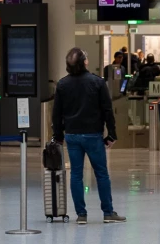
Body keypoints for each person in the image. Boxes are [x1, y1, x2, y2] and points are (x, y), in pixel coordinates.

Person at [52, 48, 126, 224]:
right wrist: (112, 134)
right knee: (101, 174)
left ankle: (81, 215)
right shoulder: (97, 82)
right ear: (85, 62)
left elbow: (56, 114)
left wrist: (58, 135)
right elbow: (107, 110)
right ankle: (108, 212)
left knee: (76, 174)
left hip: (72, 135)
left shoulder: (62, 84)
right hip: (93, 135)